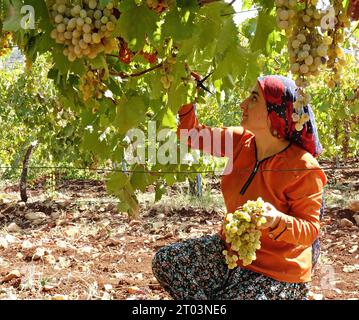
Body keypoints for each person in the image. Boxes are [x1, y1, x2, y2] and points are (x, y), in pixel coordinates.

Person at [151, 75, 327, 300]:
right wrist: (186, 93)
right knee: (166, 261)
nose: (243, 104)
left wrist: (276, 219)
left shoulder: (303, 167)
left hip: (278, 274)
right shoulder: (240, 141)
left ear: (275, 113)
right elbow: (191, 135)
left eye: (254, 98)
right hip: (231, 253)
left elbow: (310, 230)